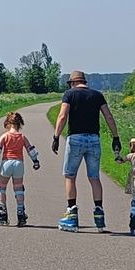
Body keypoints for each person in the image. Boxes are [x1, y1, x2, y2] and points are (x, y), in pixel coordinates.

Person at [50, 70, 121, 230]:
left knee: (70, 176)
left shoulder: (69, 94)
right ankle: (99, 214)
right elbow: (108, 116)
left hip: (75, 138)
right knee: (94, 177)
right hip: (94, 139)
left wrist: (56, 137)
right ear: (84, 81)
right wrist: (115, 137)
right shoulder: (97, 95)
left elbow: (62, 116)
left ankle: (71, 215)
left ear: (72, 83)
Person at [0, 111, 40, 226]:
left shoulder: (5, 136)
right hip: (19, 164)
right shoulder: (22, 137)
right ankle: (21, 214)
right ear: (19, 124)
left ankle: (2, 213)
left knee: (1, 187)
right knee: (18, 189)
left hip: (7, 163)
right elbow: (30, 149)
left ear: (8, 123)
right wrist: (35, 161)